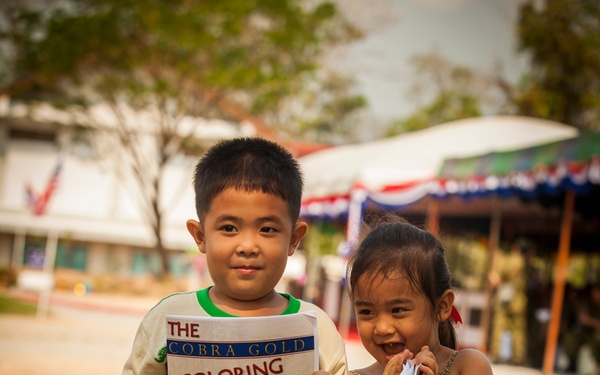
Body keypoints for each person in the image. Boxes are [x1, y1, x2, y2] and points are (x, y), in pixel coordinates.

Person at [122, 137, 347, 375]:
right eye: (229, 228)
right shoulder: (167, 319)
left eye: (267, 229)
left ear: (293, 240)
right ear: (200, 237)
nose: (248, 246)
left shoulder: (316, 329)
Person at [346, 216, 492, 375]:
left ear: (441, 306)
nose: (382, 328)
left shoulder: (468, 366)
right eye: (366, 312)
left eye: (397, 310)